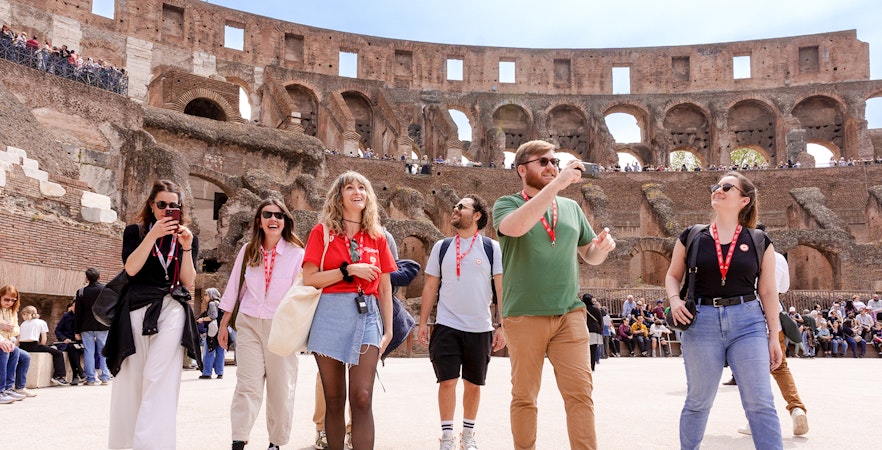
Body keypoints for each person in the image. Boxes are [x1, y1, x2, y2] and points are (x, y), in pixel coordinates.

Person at [492, 140, 616, 449]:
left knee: (580, 394)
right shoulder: (505, 204)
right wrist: (558, 184)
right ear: (522, 169)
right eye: (543, 161)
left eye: (554, 162)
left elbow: (588, 254)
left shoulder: (571, 208)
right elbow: (517, 227)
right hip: (524, 313)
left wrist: (601, 249)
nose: (551, 166)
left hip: (568, 312)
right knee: (524, 396)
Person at [665, 171, 783, 450]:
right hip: (701, 321)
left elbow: (767, 291)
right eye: (716, 186)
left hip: (748, 321)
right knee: (698, 401)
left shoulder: (759, 240)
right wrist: (674, 300)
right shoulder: (692, 235)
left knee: (760, 401)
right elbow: (672, 275)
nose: (718, 189)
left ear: (744, 200)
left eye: (727, 187)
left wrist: (773, 335)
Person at [104, 179, 201, 449]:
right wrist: (152, 236)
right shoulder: (135, 232)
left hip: (171, 308)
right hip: (136, 307)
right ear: (151, 205)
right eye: (162, 205)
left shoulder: (187, 237)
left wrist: (186, 247)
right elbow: (131, 269)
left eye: (173, 206)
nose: (167, 210)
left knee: (159, 378)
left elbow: (188, 281)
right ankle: (125, 443)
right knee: (131, 380)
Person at [302, 171, 395, 450]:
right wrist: (348, 270)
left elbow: (385, 289)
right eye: (350, 187)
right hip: (329, 313)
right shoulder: (323, 232)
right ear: (338, 197)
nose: (358, 192)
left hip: (367, 316)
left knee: (362, 396)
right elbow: (310, 278)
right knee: (333, 398)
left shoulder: (377, 236)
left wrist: (388, 329)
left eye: (363, 188)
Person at [217, 198, 305, 450]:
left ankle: (275, 443)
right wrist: (224, 324)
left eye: (279, 215)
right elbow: (235, 288)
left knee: (280, 389)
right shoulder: (248, 250)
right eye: (268, 215)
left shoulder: (297, 254)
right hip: (250, 324)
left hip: (282, 328)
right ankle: (238, 439)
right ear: (259, 221)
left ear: (285, 221)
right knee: (247, 384)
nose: (273, 219)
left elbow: (303, 294)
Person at [418, 194, 505, 450]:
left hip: (480, 326)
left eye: (461, 207)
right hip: (446, 324)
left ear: (477, 215)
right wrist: (423, 322)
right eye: (455, 205)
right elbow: (430, 286)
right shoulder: (441, 247)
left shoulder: (491, 247)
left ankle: (467, 436)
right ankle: (447, 436)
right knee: (446, 381)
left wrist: (503, 325)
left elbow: (501, 289)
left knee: (474, 383)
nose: (455, 209)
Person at [736, 249, 809, 436]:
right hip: (773, 319)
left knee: (753, 372)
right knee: (781, 367)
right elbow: (783, 288)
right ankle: (796, 408)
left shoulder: (740, 254)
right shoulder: (777, 257)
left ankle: (756, 420)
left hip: (749, 320)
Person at [74, 267, 111, 385]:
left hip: (86, 326)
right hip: (103, 325)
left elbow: (78, 313)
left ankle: (90, 379)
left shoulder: (81, 292)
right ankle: (105, 377)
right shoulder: (106, 290)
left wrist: (76, 330)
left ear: (86, 278)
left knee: (88, 352)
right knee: (103, 351)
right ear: (99, 277)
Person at [17, 305, 69, 386]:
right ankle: (58, 376)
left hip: (22, 346)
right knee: (58, 353)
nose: (22, 316)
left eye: (23, 314)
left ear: (26, 314)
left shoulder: (23, 324)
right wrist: (42, 346)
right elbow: (44, 339)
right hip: (34, 346)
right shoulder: (41, 322)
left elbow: (18, 338)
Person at [1, 285, 34, 401]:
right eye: (6, 299)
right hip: (2, 342)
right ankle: (1, 390)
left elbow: (16, 330)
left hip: (8, 341)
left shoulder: (12, 311)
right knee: (5, 351)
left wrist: (6, 331)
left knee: (24, 356)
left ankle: (14, 388)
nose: (9, 302)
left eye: (12, 300)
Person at [54, 299, 85, 385]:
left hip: (81, 342)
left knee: (74, 348)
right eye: (73, 306)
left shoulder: (84, 317)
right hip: (68, 342)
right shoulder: (66, 316)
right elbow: (58, 330)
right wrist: (64, 338)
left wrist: (81, 335)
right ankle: (79, 372)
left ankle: (76, 375)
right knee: (72, 347)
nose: (74, 308)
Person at [198, 288, 224, 379]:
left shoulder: (212, 304)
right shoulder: (221, 303)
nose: (204, 297)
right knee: (220, 352)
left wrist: (203, 319)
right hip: (221, 330)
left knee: (209, 350)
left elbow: (213, 316)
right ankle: (220, 372)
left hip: (213, 331)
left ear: (211, 295)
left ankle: (207, 373)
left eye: (206, 294)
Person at [582, 294, 603, 370]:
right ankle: (592, 366)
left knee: (584, 350)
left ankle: (585, 366)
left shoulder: (581, 309)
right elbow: (600, 320)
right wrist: (600, 329)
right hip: (594, 330)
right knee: (593, 349)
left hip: (584, 330)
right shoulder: (596, 309)